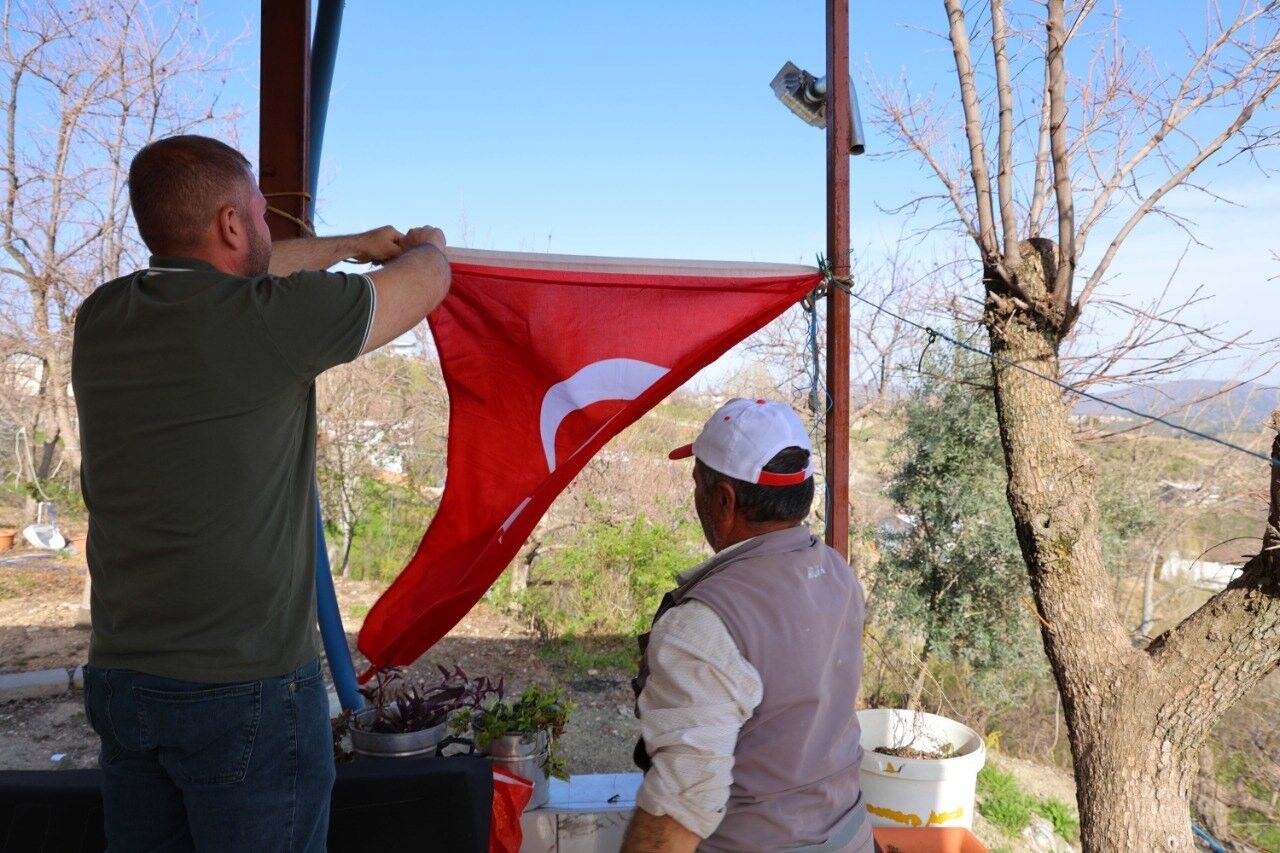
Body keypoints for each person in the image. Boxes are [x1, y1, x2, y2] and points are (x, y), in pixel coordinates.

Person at [72, 134, 451, 852]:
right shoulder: (272, 321)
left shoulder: (102, 318)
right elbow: (425, 285)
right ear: (230, 224)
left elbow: (257, 265)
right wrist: (425, 247)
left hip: (125, 684)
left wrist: (353, 243)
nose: (271, 229)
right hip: (242, 691)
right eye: (259, 210)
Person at [622, 398, 870, 853]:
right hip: (850, 834)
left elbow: (679, 809)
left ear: (723, 500)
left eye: (697, 484)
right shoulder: (838, 573)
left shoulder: (704, 623)